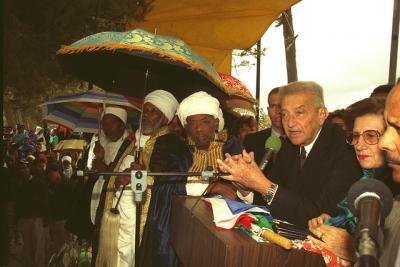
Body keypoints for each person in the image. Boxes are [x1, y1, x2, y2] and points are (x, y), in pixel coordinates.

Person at [217, 81, 362, 227]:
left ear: (321, 115)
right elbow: (273, 201)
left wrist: (262, 184)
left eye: (299, 113)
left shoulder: (346, 148)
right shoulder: (289, 146)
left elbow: (320, 216)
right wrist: (246, 187)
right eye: (284, 114)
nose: (290, 123)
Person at [139, 91, 243, 267]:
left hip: (221, 235)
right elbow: (163, 186)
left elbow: (243, 191)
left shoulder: (232, 147)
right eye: (192, 123)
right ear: (186, 126)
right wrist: (210, 187)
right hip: (179, 230)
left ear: (216, 122)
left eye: (205, 122)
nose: (199, 129)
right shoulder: (176, 149)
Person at [307, 97, 388, 263]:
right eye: (355, 136)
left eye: (371, 136)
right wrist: (329, 221)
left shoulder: (393, 190)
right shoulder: (362, 179)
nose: (358, 145)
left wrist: (351, 249)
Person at [243, 87, 285, 169]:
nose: (278, 111)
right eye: (273, 106)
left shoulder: (299, 142)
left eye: (281, 106)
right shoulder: (251, 140)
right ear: (268, 110)